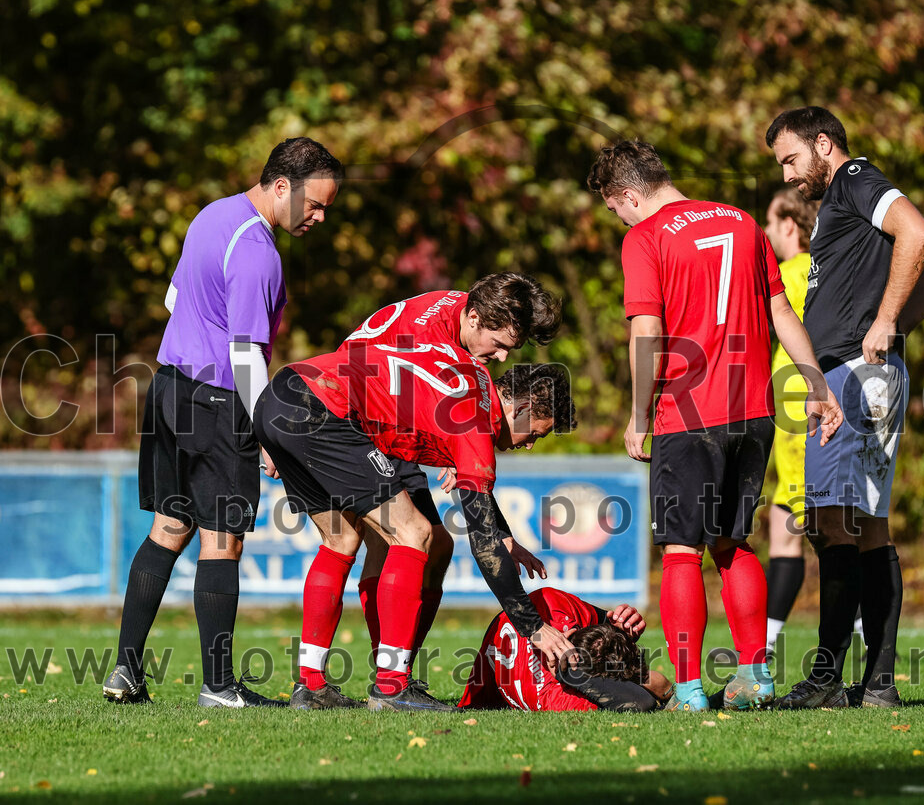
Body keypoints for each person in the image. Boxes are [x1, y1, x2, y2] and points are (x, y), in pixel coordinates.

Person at [587, 140, 843, 713]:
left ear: (629, 195)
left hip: (689, 413)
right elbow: (782, 314)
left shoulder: (645, 237)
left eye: (615, 209)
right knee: (733, 543)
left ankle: (688, 691)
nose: (620, 220)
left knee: (682, 551)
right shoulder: (743, 222)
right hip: (754, 410)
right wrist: (819, 386)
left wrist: (637, 415)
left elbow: (646, 332)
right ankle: (756, 679)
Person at [102, 137, 344, 708]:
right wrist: (268, 432)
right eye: (315, 205)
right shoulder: (259, 250)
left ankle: (126, 672)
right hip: (215, 402)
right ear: (282, 186)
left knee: (169, 527)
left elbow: (171, 298)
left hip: (168, 389)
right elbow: (243, 354)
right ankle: (218, 686)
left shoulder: (213, 214)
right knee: (224, 540)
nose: (320, 217)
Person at [255, 337, 578, 711]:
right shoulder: (475, 419)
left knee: (340, 539)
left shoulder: (467, 373)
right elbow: (484, 544)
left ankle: (310, 686)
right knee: (415, 533)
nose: (530, 444)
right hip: (325, 408)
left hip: (281, 393)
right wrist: (533, 627)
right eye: (535, 433)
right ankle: (392, 687)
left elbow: (367, 344)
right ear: (520, 407)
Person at [766, 106, 924, 709]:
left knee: (832, 522)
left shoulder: (853, 180)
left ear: (824, 145)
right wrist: (899, 323)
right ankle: (877, 682)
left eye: (791, 159)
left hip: (854, 377)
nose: (788, 174)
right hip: (864, 372)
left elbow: (922, 236)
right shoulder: (842, 201)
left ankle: (827, 679)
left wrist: (884, 323)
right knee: (865, 525)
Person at [344, 274, 561, 697]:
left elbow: (470, 473)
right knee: (387, 540)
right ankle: (386, 677)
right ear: (476, 318)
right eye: (498, 346)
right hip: (361, 420)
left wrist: (499, 530)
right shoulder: (434, 341)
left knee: (434, 544)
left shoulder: (463, 313)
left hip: (385, 418)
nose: (498, 359)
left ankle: (393, 671)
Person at [761, 187, 819, 657]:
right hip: (791, 417)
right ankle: (763, 645)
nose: (765, 232)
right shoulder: (816, 271)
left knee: (808, 528)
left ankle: (863, 641)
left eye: (770, 222)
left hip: (801, 413)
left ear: (789, 225)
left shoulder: (793, 273)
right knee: (787, 524)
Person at [459, 587, 671, 712]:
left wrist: (619, 623)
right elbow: (641, 700)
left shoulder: (552, 603)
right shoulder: (553, 696)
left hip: (494, 648)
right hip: (489, 696)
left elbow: (602, 618)